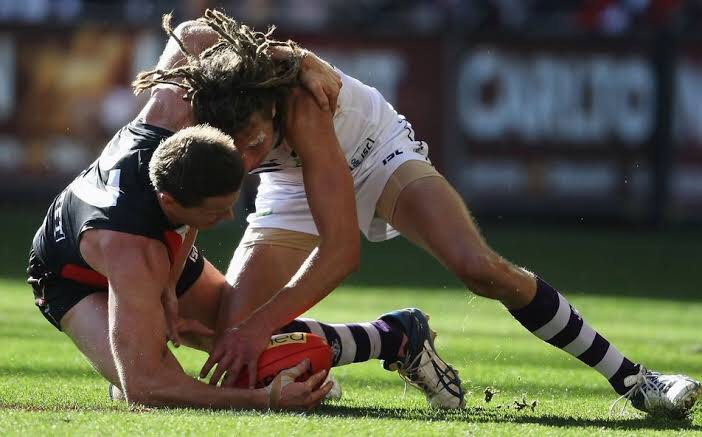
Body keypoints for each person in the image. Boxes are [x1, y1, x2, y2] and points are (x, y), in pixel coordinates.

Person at [133, 9, 701, 417]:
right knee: (234, 345)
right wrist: (174, 290)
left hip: (371, 153)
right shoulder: (204, 104)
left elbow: (341, 252)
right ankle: (396, 338)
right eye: (235, 150)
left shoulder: (302, 104)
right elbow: (192, 35)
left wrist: (259, 327)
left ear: (268, 108)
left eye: (255, 143)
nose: (245, 160)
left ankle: (636, 380)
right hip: (291, 183)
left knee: (478, 268)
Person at [27, 14, 463, 410]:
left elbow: (191, 33)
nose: (230, 219)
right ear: (174, 208)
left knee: (239, 337)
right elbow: (147, 386)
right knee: (150, 383)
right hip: (68, 275)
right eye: (215, 212)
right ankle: (365, 343)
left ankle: (396, 336)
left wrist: (293, 56)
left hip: (133, 236)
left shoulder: (169, 111)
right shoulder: (135, 252)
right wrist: (263, 398)